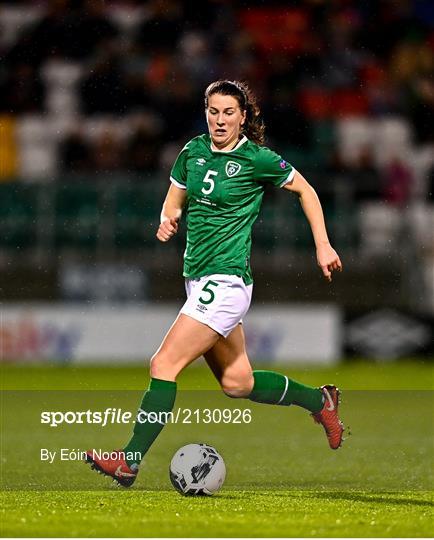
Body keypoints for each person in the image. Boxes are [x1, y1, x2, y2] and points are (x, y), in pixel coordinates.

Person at [86, 80, 344, 487]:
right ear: (205, 111)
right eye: (213, 111)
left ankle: (129, 460)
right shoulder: (192, 152)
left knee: (163, 364)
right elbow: (174, 198)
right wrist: (167, 218)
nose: (220, 120)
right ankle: (319, 400)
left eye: (228, 113)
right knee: (237, 382)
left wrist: (323, 245)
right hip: (197, 278)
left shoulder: (257, 159)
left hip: (225, 283)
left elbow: (306, 190)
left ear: (243, 117)